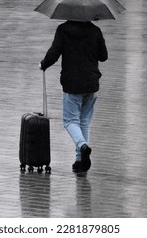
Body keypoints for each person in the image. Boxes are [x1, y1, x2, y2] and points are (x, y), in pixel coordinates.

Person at [39, 20, 108, 173]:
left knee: (70, 121)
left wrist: (43, 64)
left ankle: (82, 146)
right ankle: (79, 161)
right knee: (84, 121)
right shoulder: (95, 30)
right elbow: (103, 56)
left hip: (72, 84)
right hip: (91, 84)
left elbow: (54, 53)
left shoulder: (63, 30)